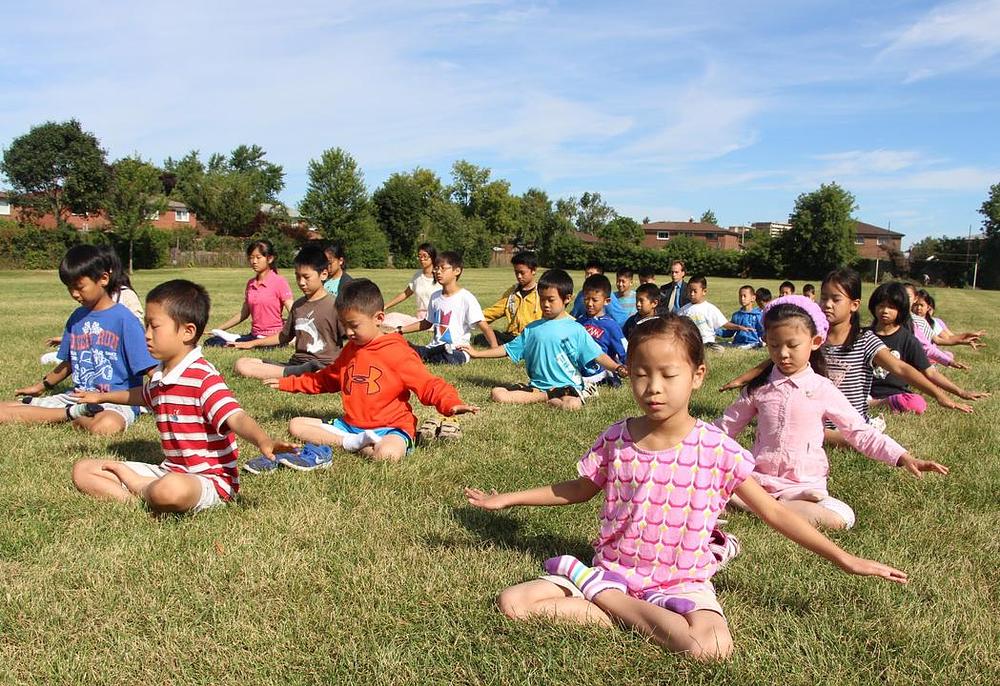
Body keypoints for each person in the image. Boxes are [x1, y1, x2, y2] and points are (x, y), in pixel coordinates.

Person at [465, 315, 910, 661]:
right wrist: (510, 496)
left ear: (697, 375)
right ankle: (618, 601)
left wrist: (846, 559)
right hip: (615, 568)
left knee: (709, 648)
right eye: (640, 374)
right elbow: (580, 488)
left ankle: (606, 601)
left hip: (680, 578)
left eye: (668, 375)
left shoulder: (717, 448)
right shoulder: (617, 437)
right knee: (514, 602)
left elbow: (774, 512)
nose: (653, 388)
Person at [715, 296, 948, 529]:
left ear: (815, 342)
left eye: (792, 345)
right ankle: (763, 505)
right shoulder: (759, 388)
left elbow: (859, 431)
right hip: (759, 480)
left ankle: (759, 507)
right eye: (774, 345)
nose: (783, 354)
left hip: (803, 487)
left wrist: (901, 456)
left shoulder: (822, 388)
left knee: (843, 517)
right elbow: (726, 427)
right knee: (712, 485)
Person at [69, 280, 295, 514]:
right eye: (146, 325)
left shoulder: (202, 378)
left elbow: (235, 416)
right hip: (169, 472)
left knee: (170, 489)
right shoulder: (160, 375)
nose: (146, 335)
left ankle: (141, 488)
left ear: (187, 331)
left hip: (208, 481)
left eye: (153, 326)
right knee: (84, 469)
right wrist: (100, 398)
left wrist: (263, 440)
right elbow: (141, 395)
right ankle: (136, 500)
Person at [720, 269, 975, 445]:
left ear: (854, 305)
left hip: (846, 422)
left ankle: (862, 437)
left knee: (799, 431)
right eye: (824, 298)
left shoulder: (865, 341)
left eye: (835, 299)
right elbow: (774, 360)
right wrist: (741, 380)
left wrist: (941, 396)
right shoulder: (816, 338)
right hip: (816, 418)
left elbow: (901, 368)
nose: (827, 304)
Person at [265, 279, 479, 465]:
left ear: (378, 318)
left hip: (391, 428)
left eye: (354, 325)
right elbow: (325, 380)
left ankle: (365, 446)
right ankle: (352, 443)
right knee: (297, 424)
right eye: (344, 325)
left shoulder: (398, 352)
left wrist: (450, 403)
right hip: (350, 427)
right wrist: (288, 383)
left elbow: (428, 384)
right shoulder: (350, 350)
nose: (348, 332)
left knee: (387, 455)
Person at [3, 245, 158, 434]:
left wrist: (172, 397)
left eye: (79, 287)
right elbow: (68, 363)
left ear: (103, 279)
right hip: (77, 398)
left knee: (107, 426)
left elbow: (151, 370)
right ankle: (72, 413)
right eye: (69, 288)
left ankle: (72, 416)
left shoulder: (125, 320)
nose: (74, 294)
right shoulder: (76, 318)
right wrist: (40, 387)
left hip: (115, 401)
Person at [461, 269, 628, 411]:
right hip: (537, 386)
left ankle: (545, 396)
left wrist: (618, 367)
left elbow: (597, 355)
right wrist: (477, 354)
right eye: (542, 299)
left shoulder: (576, 328)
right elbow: (507, 349)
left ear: (567, 298)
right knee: (497, 393)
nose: (545, 304)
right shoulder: (532, 328)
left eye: (551, 300)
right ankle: (546, 396)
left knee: (573, 405)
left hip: (567, 388)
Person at [868, 283, 986, 414]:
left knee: (917, 403)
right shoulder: (862, 336)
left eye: (891, 307)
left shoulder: (908, 340)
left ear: (901, 309)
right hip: (863, 392)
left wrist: (960, 392)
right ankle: (868, 402)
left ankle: (879, 403)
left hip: (895, 394)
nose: (885, 311)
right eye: (881, 306)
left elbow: (930, 373)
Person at [231, 243, 343, 381]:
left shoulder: (337, 305)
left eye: (306, 277)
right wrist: (252, 343)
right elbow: (283, 337)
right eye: (298, 276)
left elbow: (354, 336)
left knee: (320, 369)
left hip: (324, 364)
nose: (301, 282)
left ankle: (309, 372)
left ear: (324, 274)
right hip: (296, 364)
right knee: (242, 364)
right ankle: (301, 373)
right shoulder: (298, 305)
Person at [397, 251, 499, 364]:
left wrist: (494, 350)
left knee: (447, 356)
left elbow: (484, 327)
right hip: (434, 347)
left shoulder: (466, 298)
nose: (438, 272)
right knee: (404, 348)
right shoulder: (435, 297)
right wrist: (400, 330)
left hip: (457, 350)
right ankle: (423, 353)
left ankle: (425, 354)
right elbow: (426, 323)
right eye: (436, 268)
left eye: (443, 268)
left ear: (457, 271)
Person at [204, 239, 294, 346]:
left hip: (273, 337)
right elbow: (244, 313)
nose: (254, 261)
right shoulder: (251, 284)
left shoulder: (279, 282)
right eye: (251, 258)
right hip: (254, 335)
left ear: (270, 259)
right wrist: (218, 329)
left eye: (258, 257)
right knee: (212, 342)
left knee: (238, 345)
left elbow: (293, 312)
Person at [480, 250, 542, 344]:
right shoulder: (511, 293)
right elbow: (493, 312)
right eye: (516, 272)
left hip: (533, 337)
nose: (519, 276)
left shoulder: (542, 293)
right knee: (484, 337)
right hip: (512, 336)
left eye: (522, 272)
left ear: (533, 271)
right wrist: (473, 318)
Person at [575, 274, 628, 386]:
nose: (589, 304)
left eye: (594, 300)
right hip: (580, 374)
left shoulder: (611, 325)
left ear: (607, 301)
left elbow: (624, 350)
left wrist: (626, 367)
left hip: (602, 374)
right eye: (586, 299)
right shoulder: (579, 322)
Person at [679, 276, 752, 351]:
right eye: (689, 291)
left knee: (719, 349)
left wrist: (739, 327)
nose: (692, 294)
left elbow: (725, 324)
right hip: (690, 342)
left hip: (707, 342)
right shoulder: (683, 310)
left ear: (704, 291)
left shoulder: (710, 308)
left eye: (695, 291)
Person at [383, 242, 441, 330]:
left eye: (425, 256)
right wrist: (385, 306)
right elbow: (406, 294)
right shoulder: (418, 275)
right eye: (419, 256)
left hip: (437, 319)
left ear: (432, 257)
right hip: (420, 318)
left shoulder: (440, 276)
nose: (422, 259)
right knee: (391, 317)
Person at [911, 288, 984, 349]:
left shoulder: (932, 323)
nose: (918, 308)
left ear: (928, 307)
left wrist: (966, 337)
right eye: (915, 305)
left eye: (921, 305)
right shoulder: (908, 320)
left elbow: (948, 338)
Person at [717, 284, 764, 349]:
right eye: (740, 296)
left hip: (753, 343)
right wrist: (715, 330)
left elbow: (762, 332)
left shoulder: (758, 315)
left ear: (753, 298)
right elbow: (729, 333)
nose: (742, 298)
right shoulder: (736, 315)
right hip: (737, 344)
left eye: (745, 296)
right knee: (719, 345)